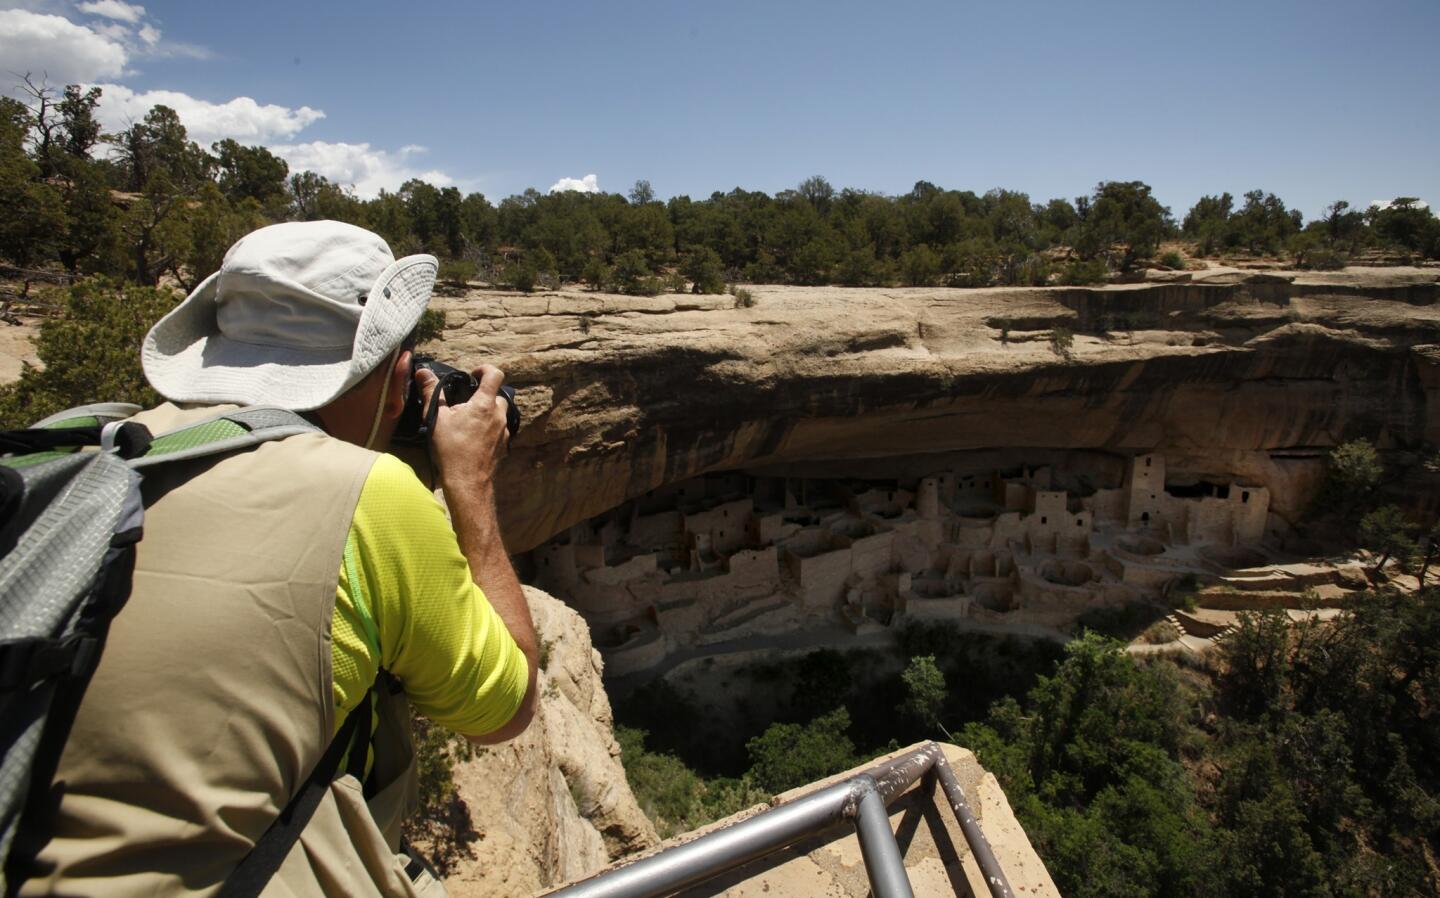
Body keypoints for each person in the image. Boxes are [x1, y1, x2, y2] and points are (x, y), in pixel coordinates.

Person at [13, 221, 538, 896]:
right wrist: (469, 484)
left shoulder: (85, 447)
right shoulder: (365, 495)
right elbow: (508, 707)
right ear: (397, 370)